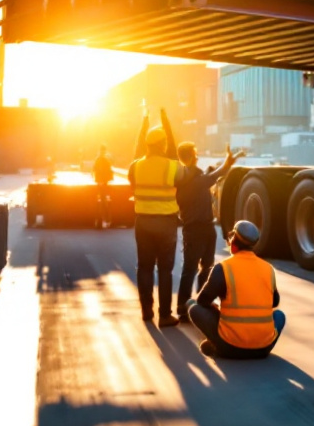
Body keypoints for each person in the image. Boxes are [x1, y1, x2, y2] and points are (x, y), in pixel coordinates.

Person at [186, 220, 286, 360]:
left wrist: (216, 309)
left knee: (193, 307)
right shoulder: (268, 269)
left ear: (233, 244)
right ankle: (254, 342)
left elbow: (202, 301)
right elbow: (274, 303)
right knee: (279, 315)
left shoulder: (223, 268)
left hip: (231, 347)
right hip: (264, 348)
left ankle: (217, 345)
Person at [127, 111, 187, 327]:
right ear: (163, 144)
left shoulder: (135, 166)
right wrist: (167, 126)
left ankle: (146, 312)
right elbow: (177, 160)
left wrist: (143, 126)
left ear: (146, 145)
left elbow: (135, 160)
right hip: (166, 224)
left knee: (144, 267)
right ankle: (164, 315)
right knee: (165, 269)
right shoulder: (173, 166)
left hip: (142, 222)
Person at [175, 143, 242, 319]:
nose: (197, 157)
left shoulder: (188, 177)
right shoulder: (191, 180)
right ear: (189, 157)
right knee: (194, 269)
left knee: (203, 268)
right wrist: (227, 163)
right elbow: (214, 176)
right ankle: (186, 308)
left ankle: (195, 305)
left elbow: (210, 177)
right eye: (195, 155)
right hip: (196, 229)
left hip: (204, 228)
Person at [92, 145, 114, 229]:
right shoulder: (102, 160)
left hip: (102, 182)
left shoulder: (100, 159)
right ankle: (105, 219)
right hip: (102, 182)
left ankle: (103, 219)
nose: (103, 152)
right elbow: (99, 170)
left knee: (102, 201)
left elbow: (96, 170)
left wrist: (100, 180)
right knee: (103, 201)